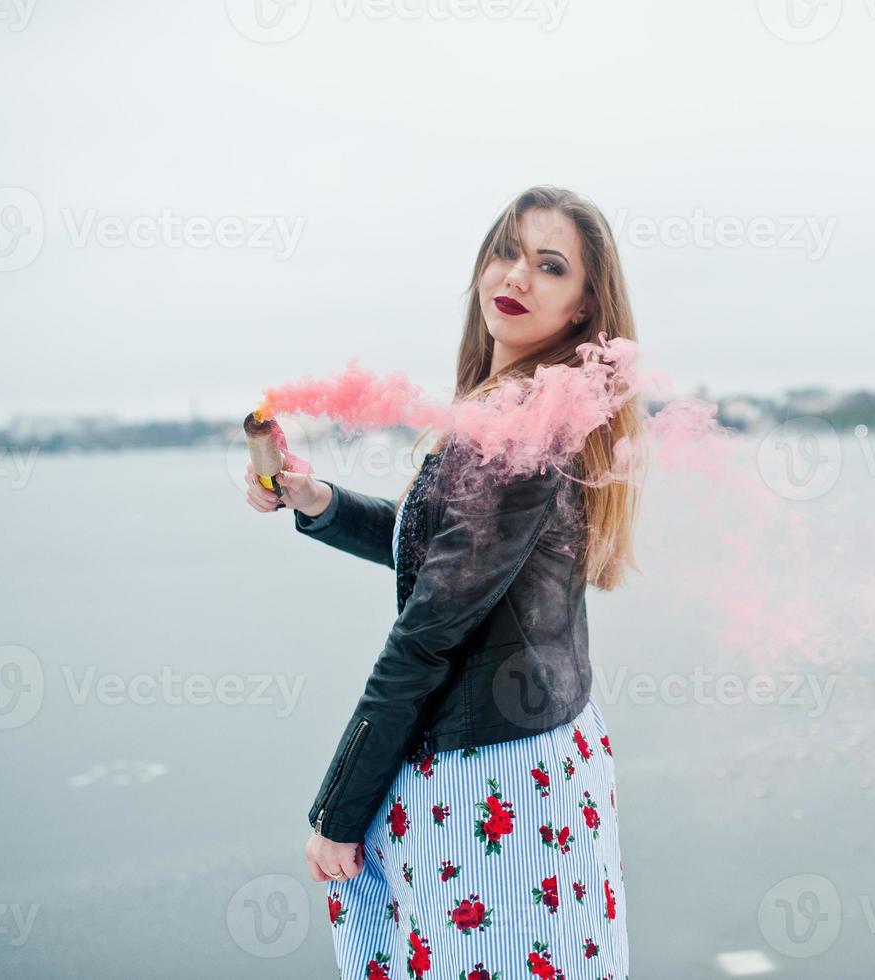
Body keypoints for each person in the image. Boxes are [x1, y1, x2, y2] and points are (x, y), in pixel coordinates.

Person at [244, 185, 642, 978]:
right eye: (508, 251)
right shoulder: (515, 409)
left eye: (550, 266)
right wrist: (317, 501)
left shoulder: (521, 428)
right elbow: (444, 556)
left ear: (581, 307)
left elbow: (429, 632)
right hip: (524, 754)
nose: (518, 277)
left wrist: (337, 811)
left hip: (492, 781)